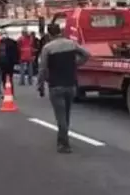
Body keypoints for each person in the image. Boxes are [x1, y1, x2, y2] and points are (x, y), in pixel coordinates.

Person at [37, 23, 91, 154]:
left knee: (60, 115)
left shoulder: (47, 48)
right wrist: (76, 63)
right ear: (60, 32)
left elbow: (43, 68)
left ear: (49, 34)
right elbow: (86, 54)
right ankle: (63, 137)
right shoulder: (71, 44)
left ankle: (63, 143)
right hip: (71, 84)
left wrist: (40, 85)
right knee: (66, 114)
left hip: (56, 85)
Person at [0, 29, 19, 95]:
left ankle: (7, 91)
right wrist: (16, 61)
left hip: (3, 63)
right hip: (9, 63)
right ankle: (10, 91)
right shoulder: (12, 42)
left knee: (4, 78)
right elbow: (16, 52)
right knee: (9, 77)